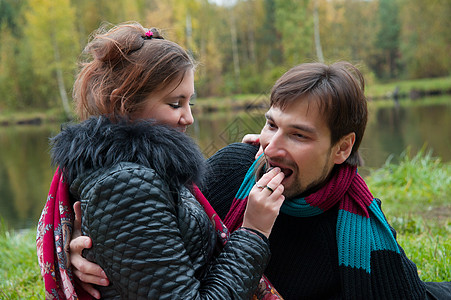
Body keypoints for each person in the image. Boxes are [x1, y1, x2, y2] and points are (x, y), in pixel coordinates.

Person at [69, 61, 451, 299]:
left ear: (341, 148)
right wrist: (86, 248)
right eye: (271, 124)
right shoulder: (235, 167)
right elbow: (150, 229)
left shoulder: (360, 229)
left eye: (298, 135)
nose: (271, 147)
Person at [36, 22, 287, 299]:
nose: (188, 118)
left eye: (190, 102)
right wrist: (253, 232)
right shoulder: (127, 186)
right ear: (125, 104)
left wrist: (246, 157)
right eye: (175, 104)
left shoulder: (142, 172)